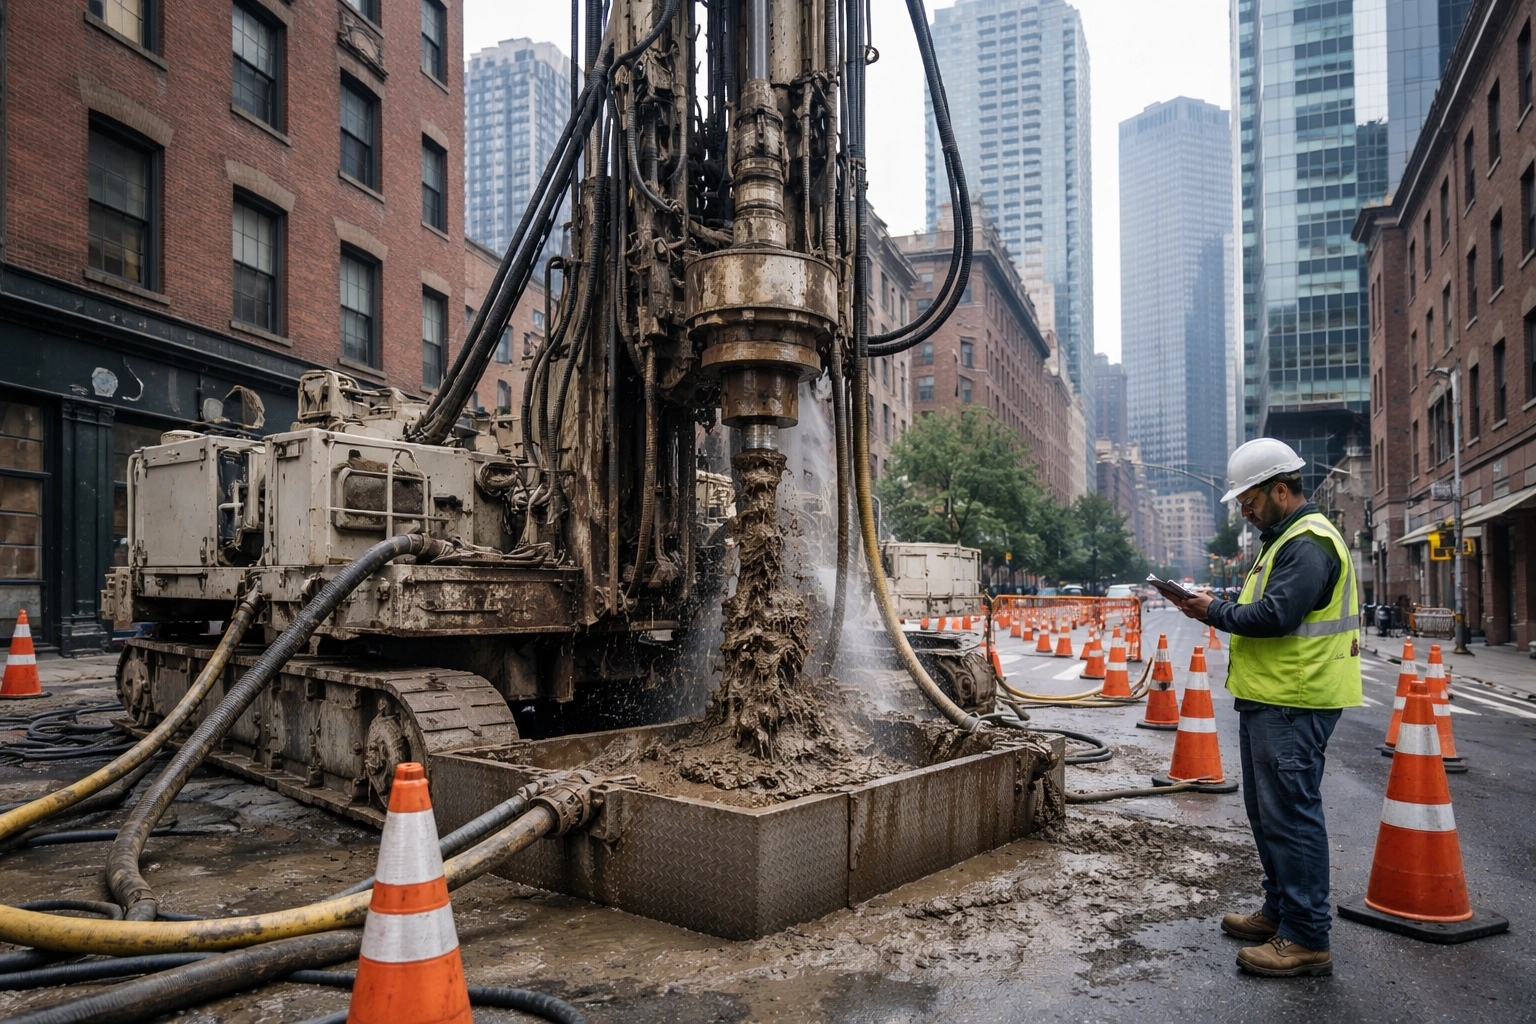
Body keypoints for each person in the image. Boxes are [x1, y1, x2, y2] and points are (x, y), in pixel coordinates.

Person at [1171, 438, 1361, 978]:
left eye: (1249, 500)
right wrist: (1216, 609)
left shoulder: (1307, 542)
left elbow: (1274, 616)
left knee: (1292, 818)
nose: (1244, 510)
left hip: (1295, 701)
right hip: (1272, 699)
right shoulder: (1283, 540)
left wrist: (1213, 611)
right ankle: (1281, 911)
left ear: (1282, 489)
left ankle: (1305, 936)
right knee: (1268, 815)